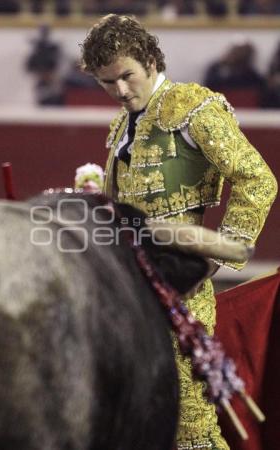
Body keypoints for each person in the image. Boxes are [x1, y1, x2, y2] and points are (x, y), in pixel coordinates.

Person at [79, 14, 278, 450]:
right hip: (130, 294)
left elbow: (258, 180)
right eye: (106, 83)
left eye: (126, 76)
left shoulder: (193, 108)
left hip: (180, 292)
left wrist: (215, 255)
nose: (120, 91)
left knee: (189, 423)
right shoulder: (121, 127)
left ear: (150, 60)